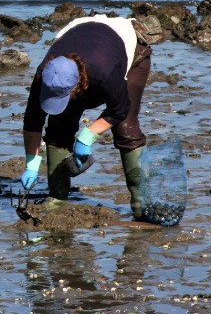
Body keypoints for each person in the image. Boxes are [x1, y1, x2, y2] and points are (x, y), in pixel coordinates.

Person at [19, 15, 154, 218]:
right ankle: (57, 200)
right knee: (59, 126)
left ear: (77, 87)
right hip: (82, 34)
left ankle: (142, 204)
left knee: (126, 128)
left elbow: (120, 109)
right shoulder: (45, 74)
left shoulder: (104, 73)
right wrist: (31, 163)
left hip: (129, 48)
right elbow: (32, 121)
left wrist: (87, 136)